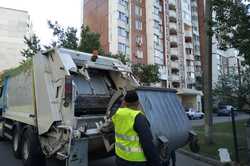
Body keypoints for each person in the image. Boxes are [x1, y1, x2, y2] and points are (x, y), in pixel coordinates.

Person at [112, 90, 161, 166]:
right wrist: (156, 162)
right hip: (136, 161)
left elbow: (114, 107)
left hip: (120, 157)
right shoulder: (138, 117)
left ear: (125, 102)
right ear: (138, 102)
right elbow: (147, 143)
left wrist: (121, 100)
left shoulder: (117, 114)